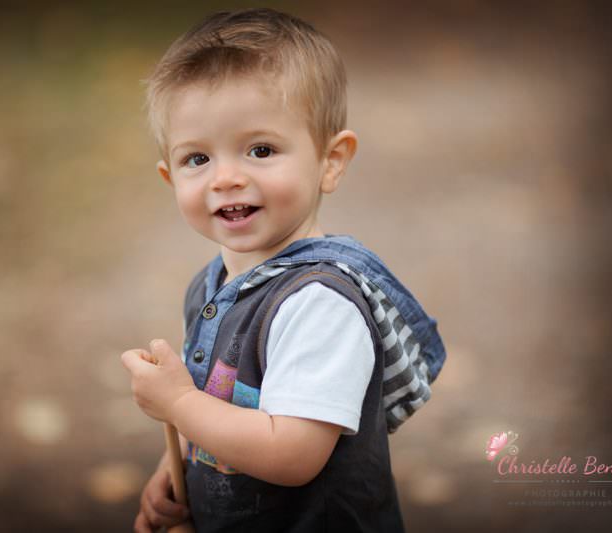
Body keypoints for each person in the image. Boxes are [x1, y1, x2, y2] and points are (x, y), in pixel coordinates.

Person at [120, 8, 446, 532]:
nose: (225, 178)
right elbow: (217, 401)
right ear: (170, 177)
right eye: (197, 159)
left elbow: (292, 454)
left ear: (330, 161)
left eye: (261, 149)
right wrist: (175, 463)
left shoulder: (321, 304)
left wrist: (178, 404)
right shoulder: (210, 288)